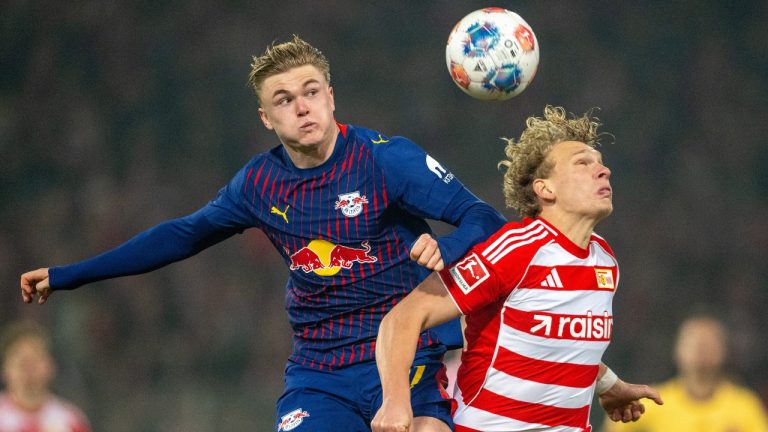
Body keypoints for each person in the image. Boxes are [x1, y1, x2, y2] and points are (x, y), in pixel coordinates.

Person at [19, 35, 506, 432]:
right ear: (266, 118)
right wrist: (69, 275)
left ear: (331, 97)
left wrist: (446, 247)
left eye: (312, 92)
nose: (302, 107)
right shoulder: (258, 183)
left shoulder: (386, 159)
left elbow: (482, 216)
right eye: (284, 100)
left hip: (406, 358)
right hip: (320, 372)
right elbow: (182, 235)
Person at [372, 105, 663, 432]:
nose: (603, 170)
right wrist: (395, 400)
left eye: (601, 163)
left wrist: (609, 384)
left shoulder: (604, 260)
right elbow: (405, 316)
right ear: (545, 189)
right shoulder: (517, 250)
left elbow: (558, 340)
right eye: (583, 163)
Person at [604, 312, 768, 432]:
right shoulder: (653, 402)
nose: (701, 347)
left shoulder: (744, 405)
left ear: (724, 351)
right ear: (678, 350)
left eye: (709, 342)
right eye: (694, 341)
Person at [0, 320, 91, 432]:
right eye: (22, 361)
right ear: (5, 369)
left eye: (35, 360)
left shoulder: (70, 421)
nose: (28, 369)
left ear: (51, 366)